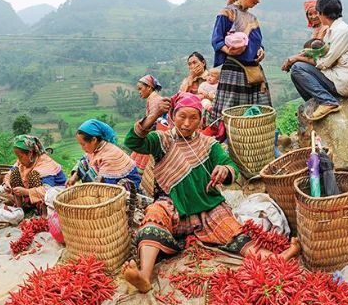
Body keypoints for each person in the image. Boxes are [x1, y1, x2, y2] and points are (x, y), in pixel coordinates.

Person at [122, 93, 300, 292]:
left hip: (208, 208)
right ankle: (144, 276)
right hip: (175, 208)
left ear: (201, 120)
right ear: (172, 115)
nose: (187, 123)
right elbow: (133, 142)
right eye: (182, 116)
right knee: (154, 214)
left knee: (236, 235)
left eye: (193, 118)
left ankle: (284, 255)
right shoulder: (162, 141)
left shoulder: (209, 145)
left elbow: (230, 165)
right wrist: (153, 115)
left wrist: (225, 171)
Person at [282, 0, 348, 121]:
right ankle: (313, 104)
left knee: (297, 68)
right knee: (295, 73)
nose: (315, 16)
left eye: (317, 13)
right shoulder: (333, 29)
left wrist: (296, 59)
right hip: (333, 76)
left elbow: (324, 62)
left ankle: (328, 102)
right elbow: (321, 55)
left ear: (322, 13)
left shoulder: (341, 31)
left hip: (342, 81)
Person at [207, 0, 270, 135]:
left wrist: (261, 50)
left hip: (253, 70)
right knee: (230, 110)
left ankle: (251, 141)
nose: (258, 1)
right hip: (234, 68)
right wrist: (228, 51)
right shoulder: (227, 13)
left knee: (255, 110)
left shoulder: (253, 19)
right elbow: (216, 39)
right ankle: (228, 140)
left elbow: (258, 42)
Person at [67, 120, 141, 188]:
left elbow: (105, 185)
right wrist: (74, 177)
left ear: (94, 140)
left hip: (125, 188)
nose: (82, 148)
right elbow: (84, 162)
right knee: (86, 161)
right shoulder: (97, 148)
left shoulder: (110, 156)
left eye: (83, 144)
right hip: (107, 182)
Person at [3, 135, 67, 214]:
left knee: (34, 175)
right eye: (18, 157)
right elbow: (10, 173)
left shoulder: (45, 163)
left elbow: (47, 190)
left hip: (55, 196)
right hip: (33, 193)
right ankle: (20, 210)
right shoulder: (22, 161)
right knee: (15, 172)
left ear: (30, 153)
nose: (19, 160)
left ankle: (42, 211)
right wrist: (6, 184)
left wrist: (26, 192)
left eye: (21, 156)